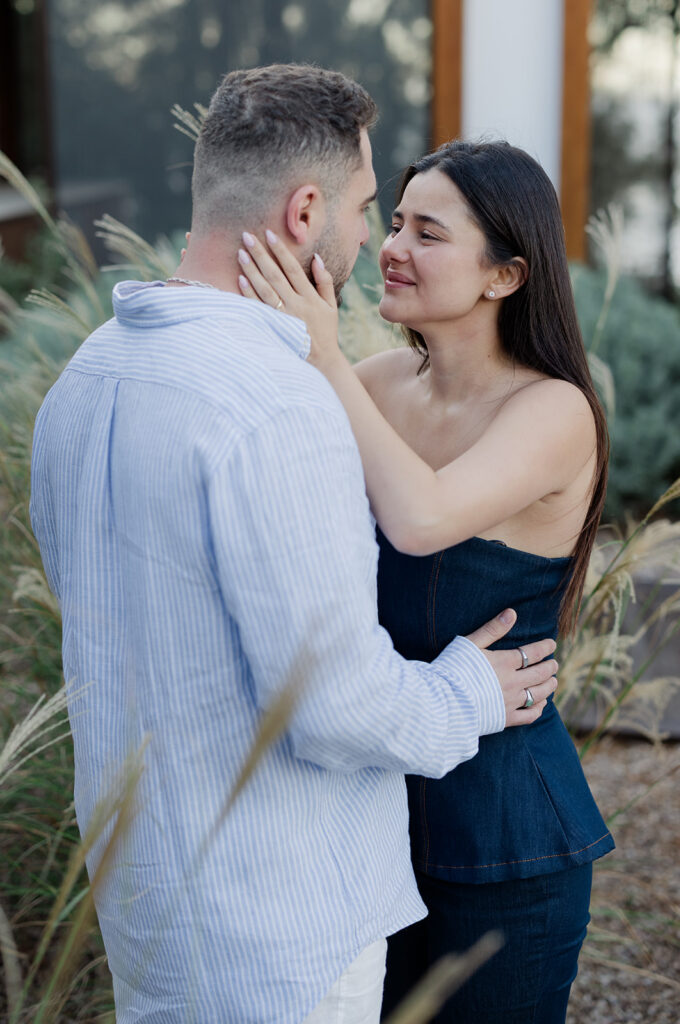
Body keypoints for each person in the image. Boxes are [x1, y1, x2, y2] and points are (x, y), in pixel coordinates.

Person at [29, 68, 559, 1024]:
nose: (375, 240)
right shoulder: (279, 405)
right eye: (368, 209)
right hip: (277, 924)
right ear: (305, 210)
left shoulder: (90, 374)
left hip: (147, 905)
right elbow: (338, 706)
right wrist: (466, 693)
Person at [235, 138, 615, 1022]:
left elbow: (422, 518)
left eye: (428, 234)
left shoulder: (552, 408)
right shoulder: (378, 383)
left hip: (503, 835)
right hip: (367, 813)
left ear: (504, 276)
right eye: (395, 222)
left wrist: (326, 358)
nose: (393, 247)